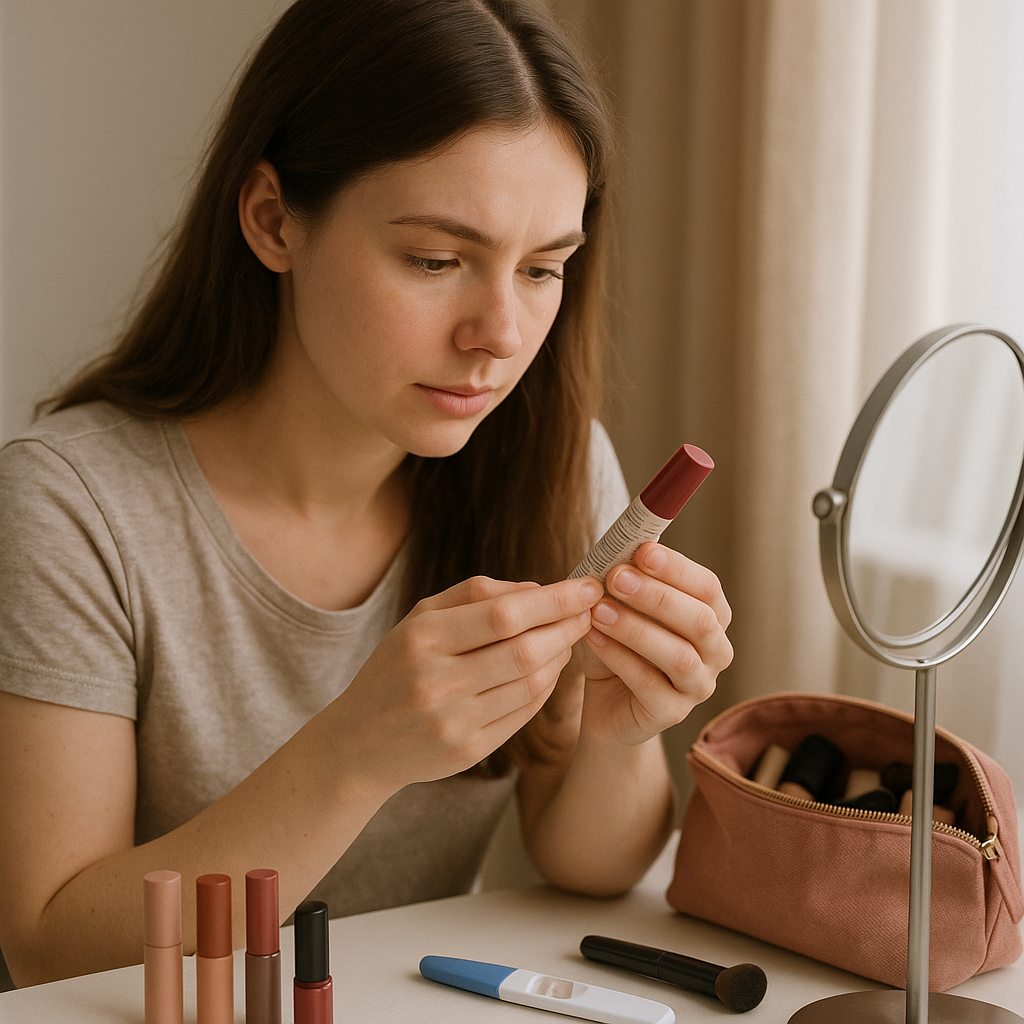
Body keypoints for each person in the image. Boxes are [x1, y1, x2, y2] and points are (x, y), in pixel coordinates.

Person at [0, 0, 732, 987]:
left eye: (543, 267)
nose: (501, 333)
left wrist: (623, 726)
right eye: (436, 261)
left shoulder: (555, 468)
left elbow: (588, 863)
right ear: (272, 221)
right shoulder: (69, 505)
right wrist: (353, 751)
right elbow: (48, 944)